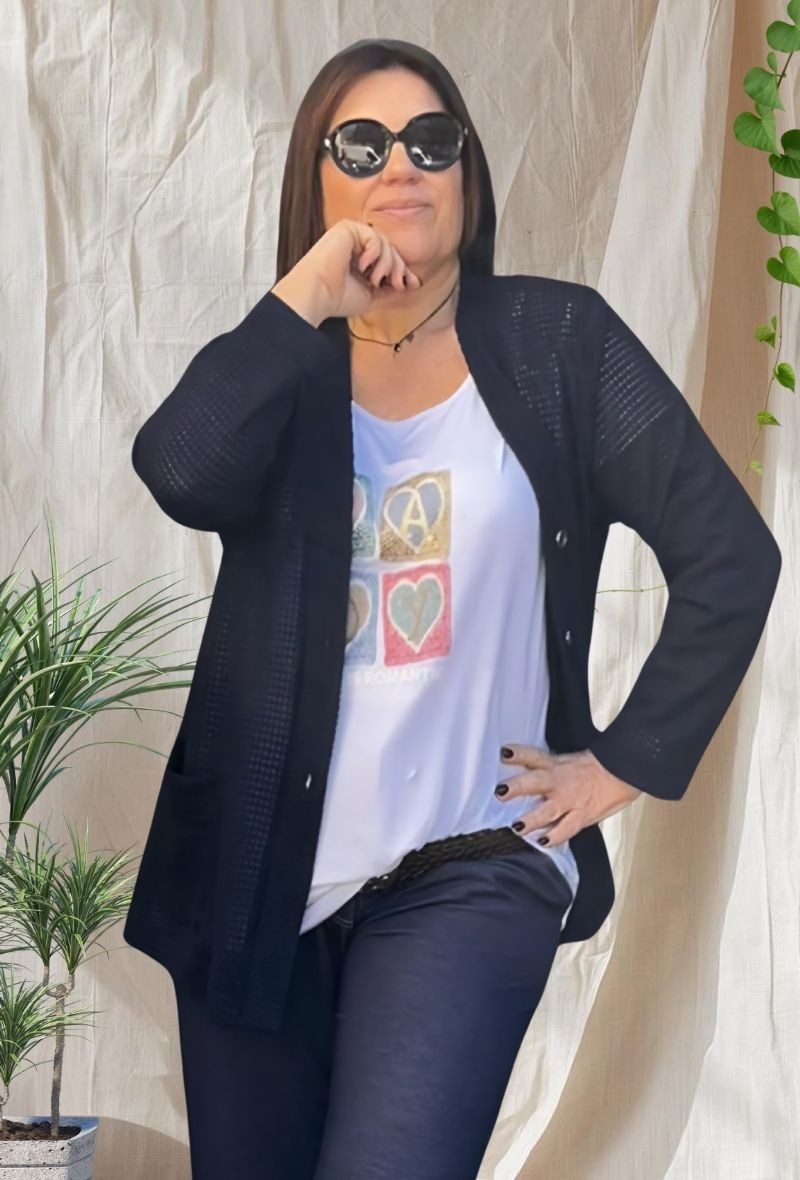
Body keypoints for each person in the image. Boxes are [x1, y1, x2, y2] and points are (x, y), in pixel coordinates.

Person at [122, 38, 782, 1180]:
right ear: (313, 182)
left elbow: (730, 553)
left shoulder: (558, 344)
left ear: (467, 175)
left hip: (472, 858)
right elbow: (179, 469)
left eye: (432, 141)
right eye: (360, 145)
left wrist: (618, 763)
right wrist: (308, 295)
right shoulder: (280, 368)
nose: (401, 165)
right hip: (258, 870)